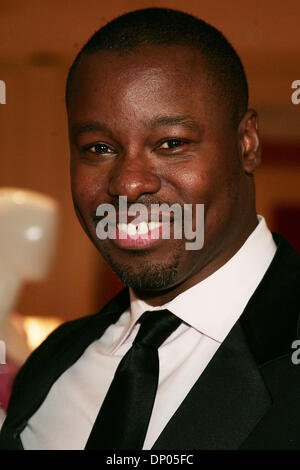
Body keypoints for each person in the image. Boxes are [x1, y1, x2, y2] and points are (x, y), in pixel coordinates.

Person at [0, 7, 299, 450]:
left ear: (246, 144)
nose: (128, 182)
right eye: (99, 147)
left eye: (171, 143)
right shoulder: (53, 363)